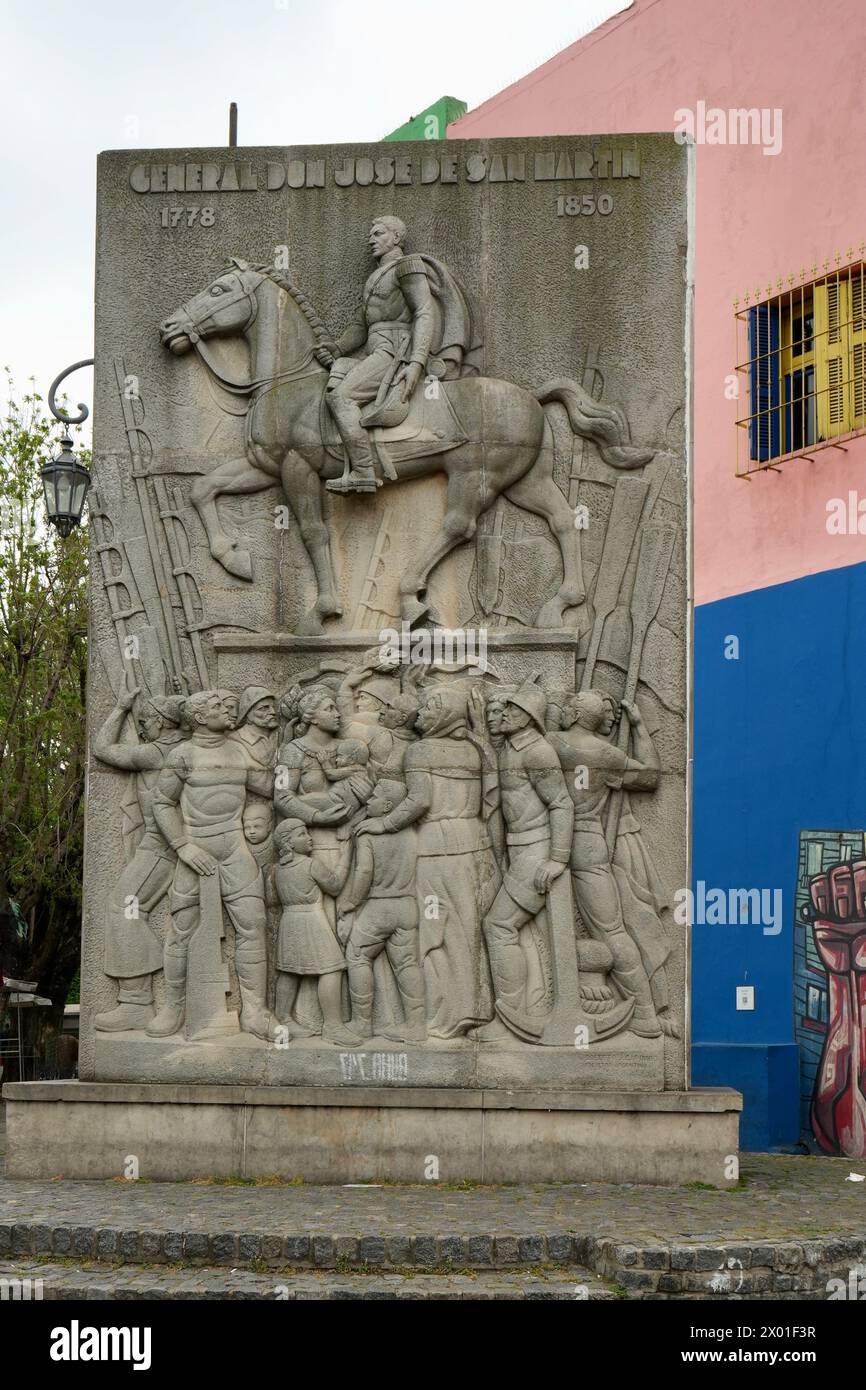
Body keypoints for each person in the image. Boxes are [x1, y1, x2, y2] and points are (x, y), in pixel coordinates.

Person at [149, 689, 277, 1041]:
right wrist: (183, 847)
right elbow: (162, 803)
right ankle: (174, 1007)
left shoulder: (238, 750)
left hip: (235, 848)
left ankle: (253, 1010)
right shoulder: (183, 755)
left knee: (254, 925)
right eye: (220, 706)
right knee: (183, 929)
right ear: (201, 717)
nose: (228, 709)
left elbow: (268, 788)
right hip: (196, 849)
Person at [321, 216, 479, 493]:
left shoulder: (407, 266)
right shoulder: (375, 277)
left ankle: (363, 472)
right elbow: (362, 324)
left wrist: (416, 363)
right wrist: (337, 348)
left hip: (394, 352)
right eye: (370, 234)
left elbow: (423, 312)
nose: (371, 239)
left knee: (341, 397)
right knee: (330, 380)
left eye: (379, 234)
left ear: (396, 238)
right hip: (375, 349)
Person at [549, 690, 663, 1039]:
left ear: (575, 714)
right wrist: (639, 727)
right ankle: (645, 1013)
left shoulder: (553, 742)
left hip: (549, 841)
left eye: (569, 707)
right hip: (589, 840)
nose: (564, 710)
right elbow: (650, 775)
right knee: (611, 930)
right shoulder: (607, 753)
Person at [477, 679, 573, 1041]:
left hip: (535, 851)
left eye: (512, 709)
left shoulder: (537, 751)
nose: (504, 713)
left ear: (529, 716)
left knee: (498, 926)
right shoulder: (510, 747)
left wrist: (557, 859)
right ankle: (525, 1008)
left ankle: (509, 1017)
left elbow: (561, 803)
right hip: (518, 851)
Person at [92, 680, 185, 1031]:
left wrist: (119, 707)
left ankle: (137, 1003)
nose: (142, 727)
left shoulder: (155, 753)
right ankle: (139, 1000)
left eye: (146, 721)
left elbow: (103, 748)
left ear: (161, 722)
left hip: (161, 847)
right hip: (166, 844)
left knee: (124, 907)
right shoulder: (186, 746)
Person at [340, 779, 425, 1042]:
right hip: (407, 906)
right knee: (408, 965)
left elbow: (364, 872)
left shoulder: (369, 834)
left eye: (374, 798)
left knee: (356, 956)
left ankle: (362, 1023)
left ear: (388, 806)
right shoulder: (412, 833)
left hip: (379, 906)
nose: (368, 802)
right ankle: (416, 1025)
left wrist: (350, 902)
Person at [272, 818, 358, 1046]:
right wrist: (347, 855)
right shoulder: (311, 865)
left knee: (290, 971)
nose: (309, 838)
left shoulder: (277, 869)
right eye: (301, 835)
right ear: (288, 843)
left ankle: (283, 1017)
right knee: (332, 968)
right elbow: (336, 885)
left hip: (289, 920)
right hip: (311, 919)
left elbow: (271, 899)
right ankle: (332, 1026)